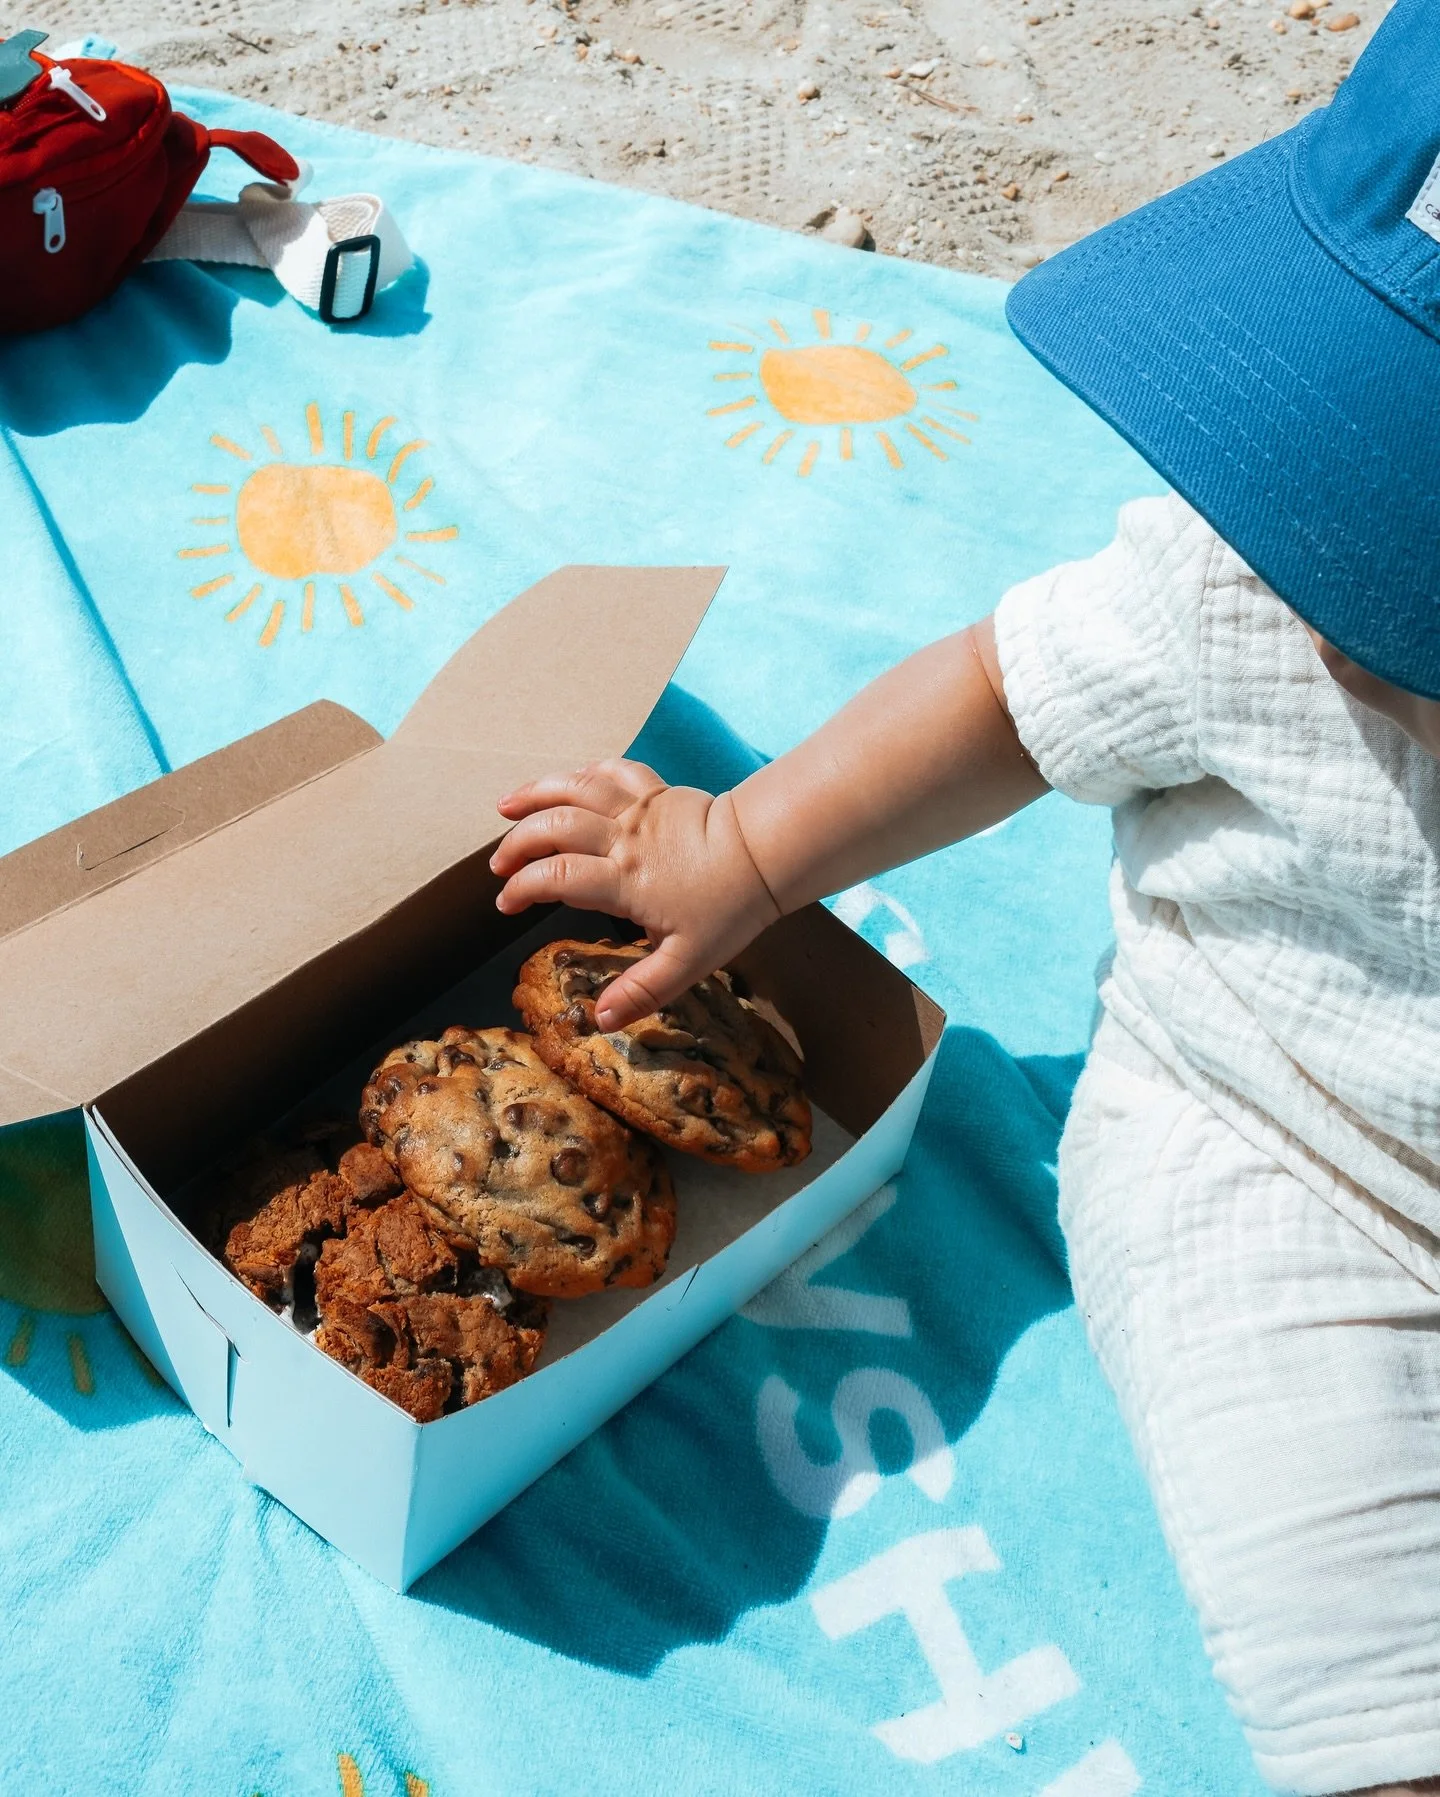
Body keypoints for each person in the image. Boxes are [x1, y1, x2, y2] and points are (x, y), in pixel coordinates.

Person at [489, 4, 1440, 1792]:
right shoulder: (1239, 579)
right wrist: (743, 851)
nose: (1314, 513)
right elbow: (1006, 695)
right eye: (1335, 423)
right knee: (1353, 1629)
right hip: (1279, 1141)